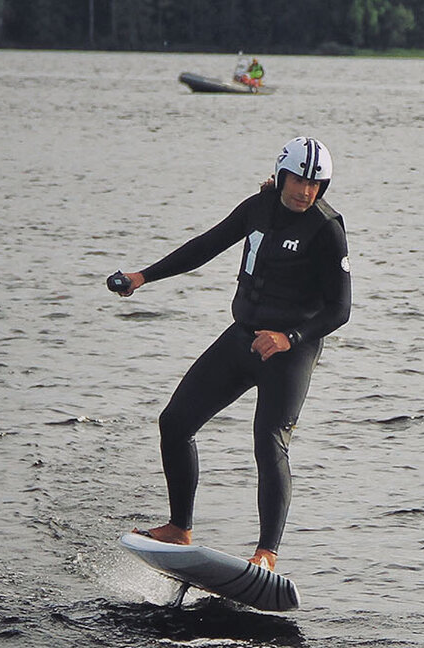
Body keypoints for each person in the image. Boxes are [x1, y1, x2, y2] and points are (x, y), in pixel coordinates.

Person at [109, 137, 350, 572]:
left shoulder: (327, 228)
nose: (305, 191)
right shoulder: (257, 208)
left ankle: (266, 554)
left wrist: (289, 338)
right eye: (298, 180)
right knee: (175, 422)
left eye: (316, 184)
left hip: (291, 351)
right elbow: (205, 246)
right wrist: (143, 276)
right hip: (242, 338)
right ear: (281, 176)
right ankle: (180, 528)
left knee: (268, 442)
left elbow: (340, 309)